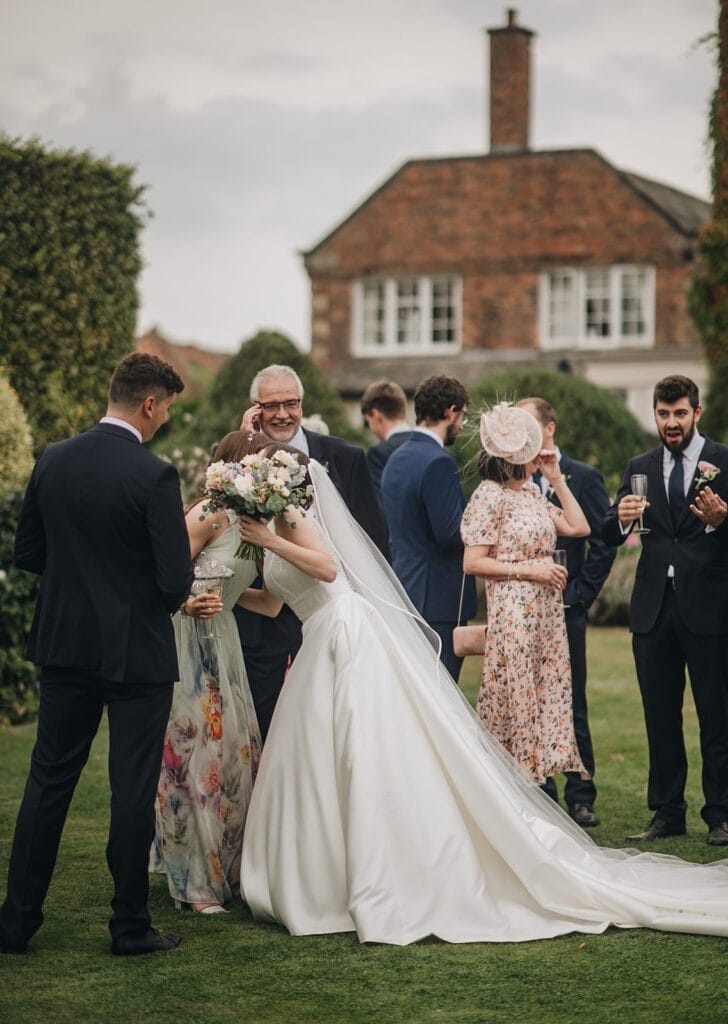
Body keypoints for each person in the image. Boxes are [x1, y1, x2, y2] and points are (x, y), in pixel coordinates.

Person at [238, 445, 728, 946]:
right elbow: (278, 602)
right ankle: (326, 873)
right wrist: (230, 593)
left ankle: (395, 867)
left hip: (351, 634)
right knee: (331, 757)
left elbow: (324, 570)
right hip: (327, 637)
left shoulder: (292, 520)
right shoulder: (277, 527)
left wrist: (556, 479)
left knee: (375, 749)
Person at [0, 353, 192, 956]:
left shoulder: (52, 460)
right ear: (150, 404)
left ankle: (15, 922)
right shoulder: (155, 475)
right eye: (166, 412)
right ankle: (129, 927)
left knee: (49, 780)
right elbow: (171, 584)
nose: (163, 423)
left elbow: (28, 551)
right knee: (131, 788)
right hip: (135, 650)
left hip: (65, 644)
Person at [603, 374, 728, 846]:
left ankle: (721, 813)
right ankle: (666, 811)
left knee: (717, 713)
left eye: (679, 413)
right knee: (659, 714)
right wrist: (617, 517)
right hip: (653, 609)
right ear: (654, 414)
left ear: (697, 413)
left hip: (710, 607)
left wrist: (723, 520)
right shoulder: (640, 464)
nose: (671, 422)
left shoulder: (724, 461)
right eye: (663, 413)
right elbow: (613, 531)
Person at [235, 364, 388, 740]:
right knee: (264, 725)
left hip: (333, 611)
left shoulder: (345, 458)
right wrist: (244, 442)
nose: (283, 414)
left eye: (291, 403)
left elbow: (375, 538)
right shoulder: (238, 458)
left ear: (302, 404)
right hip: (264, 617)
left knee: (335, 722)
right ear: (256, 409)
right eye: (272, 406)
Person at [151, 430, 263, 915]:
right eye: (258, 466)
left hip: (226, 639)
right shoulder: (206, 514)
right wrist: (188, 601)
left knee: (235, 757)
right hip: (186, 640)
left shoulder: (255, 526)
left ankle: (231, 867)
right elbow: (162, 574)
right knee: (192, 756)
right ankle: (194, 881)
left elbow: (261, 599)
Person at [460, 402, 590, 786]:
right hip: (514, 614)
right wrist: (529, 570)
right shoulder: (489, 496)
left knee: (544, 693)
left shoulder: (532, 493)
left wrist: (556, 478)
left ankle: (539, 786)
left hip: (546, 616)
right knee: (517, 702)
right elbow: (472, 563)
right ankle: (517, 788)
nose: (538, 452)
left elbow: (578, 527)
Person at [516, 397, 617, 828]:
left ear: (549, 429)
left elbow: (604, 540)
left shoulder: (583, 476)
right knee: (530, 700)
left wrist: (581, 593)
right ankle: (540, 790)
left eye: (527, 424)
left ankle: (580, 795)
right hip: (525, 612)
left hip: (567, 608)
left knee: (571, 700)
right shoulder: (512, 481)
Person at [380, 375, 475, 681]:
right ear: (450, 411)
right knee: (441, 693)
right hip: (439, 599)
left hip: (406, 588)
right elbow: (450, 534)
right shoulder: (438, 461)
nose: (462, 425)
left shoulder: (396, 458)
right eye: (462, 416)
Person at [360, 379, 412, 496]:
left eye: (368, 422)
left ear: (375, 415)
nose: (371, 430)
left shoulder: (379, 455)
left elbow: (378, 504)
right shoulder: (433, 446)